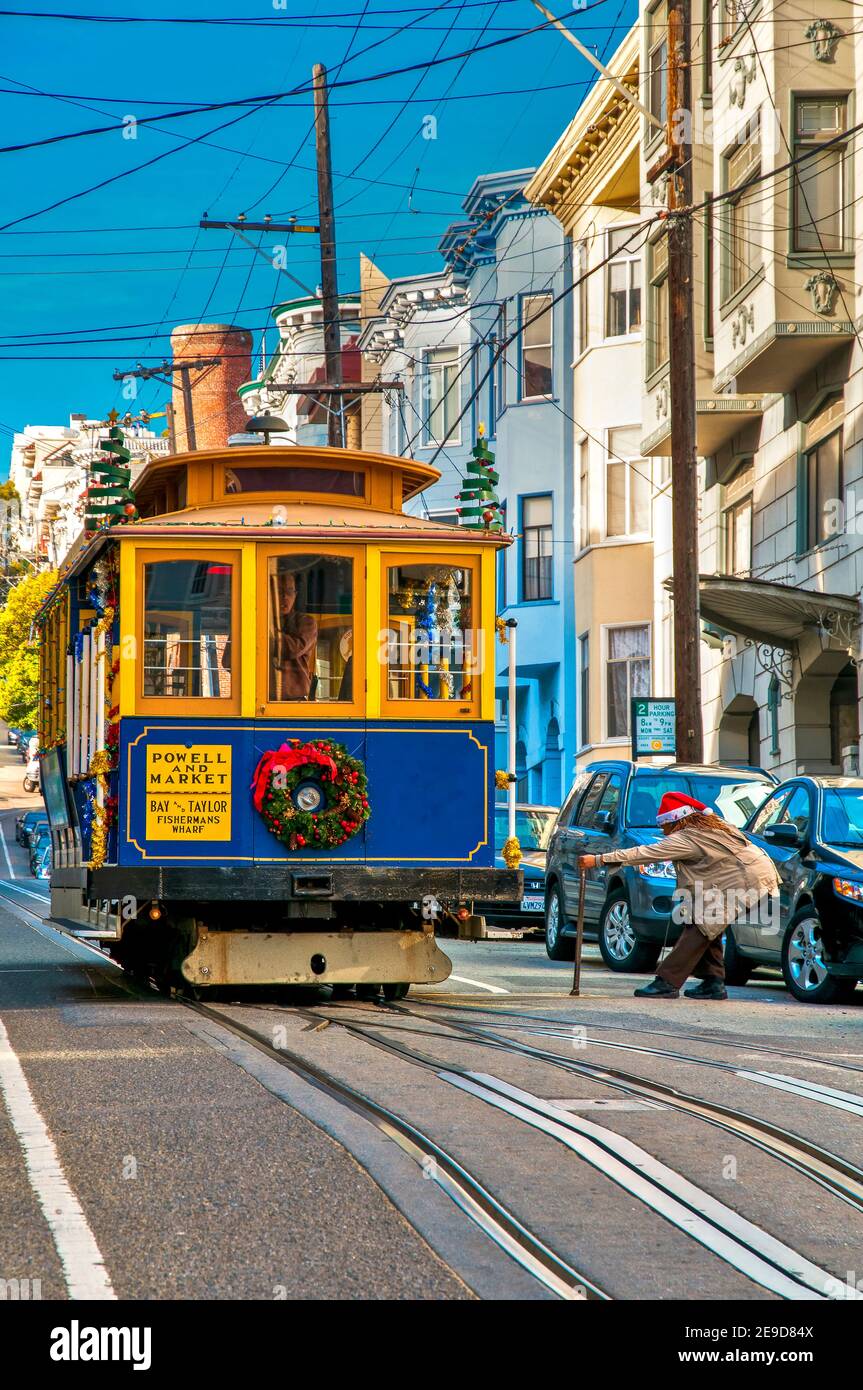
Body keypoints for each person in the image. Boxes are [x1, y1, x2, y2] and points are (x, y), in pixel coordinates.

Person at [577, 791, 780, 1000]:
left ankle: (667, 982)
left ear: (675, 820)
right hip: (753, 874)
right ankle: (713, 982)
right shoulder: (710, 824)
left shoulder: (686, 837)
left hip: (745, 880)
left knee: (699, 926)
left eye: (664, 826)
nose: (663, 831)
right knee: (702, 923)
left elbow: (645, 853)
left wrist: (599, 859)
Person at [271, 572, 318, 701]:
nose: (285, 597)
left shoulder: (306, 622)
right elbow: (228, 660)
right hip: (257, 699)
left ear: (295, 595)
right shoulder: (257, 621)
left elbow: (291, 649)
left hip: (294, 703)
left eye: (290, 591)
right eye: (279, 591)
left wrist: (264, 629)